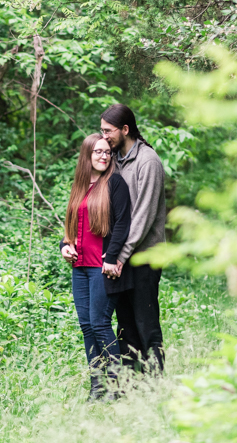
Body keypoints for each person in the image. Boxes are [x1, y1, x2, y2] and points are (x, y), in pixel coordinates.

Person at [60, 133, 132, 399]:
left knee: (100, 324)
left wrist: (112, 257)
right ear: (86, 155)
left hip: (102, 267)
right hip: (79, 267)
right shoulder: (80, 186)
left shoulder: (115, 183)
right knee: (86, 326)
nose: (103, 156)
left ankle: (117, 387)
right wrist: (64, 246)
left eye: (107, 152)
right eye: (97, 152)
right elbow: (72, 226)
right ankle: (97, 388)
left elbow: (123, 223)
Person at [100, 103, 166, 373]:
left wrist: (118, 256)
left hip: (144, 257)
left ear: (125, 130)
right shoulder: (116, 161)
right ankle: (131, 387)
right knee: (125, 326)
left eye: (108, 131)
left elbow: (142, 217)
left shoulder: (148, 161)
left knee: (146, 323)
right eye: (101, 131)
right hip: (122, 259)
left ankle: (155, 386)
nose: (103, 137)